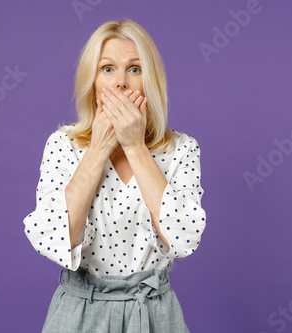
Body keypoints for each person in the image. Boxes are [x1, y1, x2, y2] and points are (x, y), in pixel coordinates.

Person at [23, 19, 206, 333]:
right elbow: (52, 238)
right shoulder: (62, 145)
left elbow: (183, 238)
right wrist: (98, 149)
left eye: (135, 69)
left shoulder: (182, 149)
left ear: (151, 81)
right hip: (79, 313)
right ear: (92, 81)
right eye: (108, 69)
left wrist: (135, 145)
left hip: (152, 314)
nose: (121, 82)